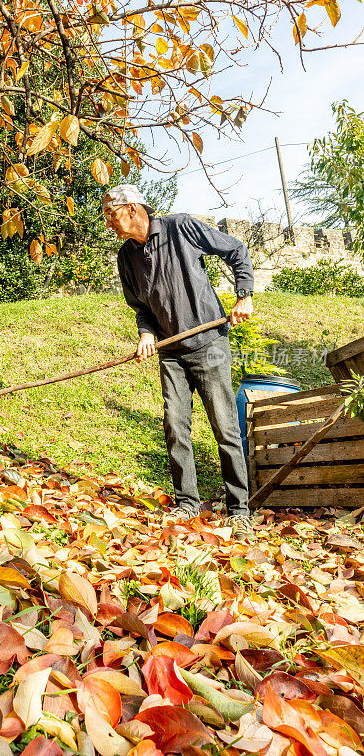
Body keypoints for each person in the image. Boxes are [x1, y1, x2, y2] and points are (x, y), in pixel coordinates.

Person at [103, 184, 255, 541]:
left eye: (113, 214)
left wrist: (244, 295)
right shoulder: (127, 257)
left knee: (225, 426)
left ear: (134, 208)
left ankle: (239, 509)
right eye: (107, 216)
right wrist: (146, 334)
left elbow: (236, 249)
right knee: (175, 425)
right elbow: (140, 307)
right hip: (171, 352)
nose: (110, 222)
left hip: (210, 343)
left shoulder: (180, 227)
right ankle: (187, 503)